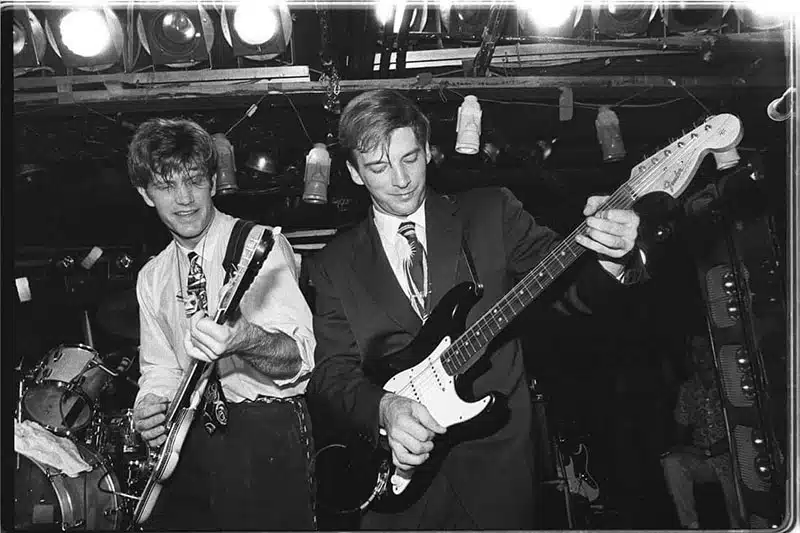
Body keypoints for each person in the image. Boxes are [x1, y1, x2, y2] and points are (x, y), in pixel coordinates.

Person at [307, 89, 645, 530]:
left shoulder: (491, 212)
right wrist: (384, 408)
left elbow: (568, 290)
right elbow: (332, 374)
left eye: (410, 158)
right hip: (394, 493)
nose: (401, 179)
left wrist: (610, 257)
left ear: (429, 150)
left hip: (496, 481)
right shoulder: (333, 263)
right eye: (377, 167)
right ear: (353, 172)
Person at [128, 118, 316, 530]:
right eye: (166, 186)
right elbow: (160, 369)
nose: (184, 199)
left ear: (213, 182)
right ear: (145, 194)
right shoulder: (152, 276)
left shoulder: (256, 244)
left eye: (195, 181)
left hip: (266, 432)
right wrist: (149, 407)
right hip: (191, 442)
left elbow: (297, 359)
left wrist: (243, 338)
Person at [661, 334, 745, 529]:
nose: (700, 355)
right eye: (695, 350)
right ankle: (690, 526)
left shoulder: (731, 383)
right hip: (703, 459)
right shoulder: (688, 388)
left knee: (733, 471)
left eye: (705, 349)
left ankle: (740, 525)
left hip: (733, 457)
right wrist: (682, 448)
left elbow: (741, 427)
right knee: (672, 463)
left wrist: (712, 451)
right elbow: (679, 429)